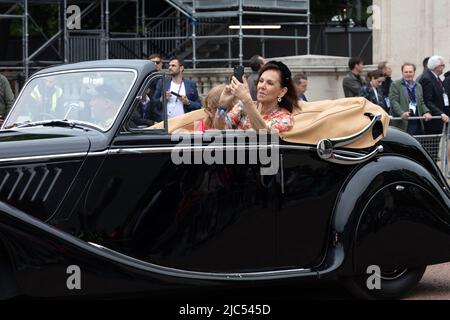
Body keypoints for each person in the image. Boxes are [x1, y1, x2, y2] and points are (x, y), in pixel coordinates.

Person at [212, 61, 297, 133]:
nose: (262, 86)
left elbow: (263, 134)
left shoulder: (285, 119)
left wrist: (247, 100)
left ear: (282, 91)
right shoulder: (242, 106)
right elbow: (221, 127)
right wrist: (222, 106)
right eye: (261, 81)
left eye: (270, 83)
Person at [152, 56, 202, 121]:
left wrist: (188, 102)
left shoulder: (190, 84)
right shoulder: (162, 82)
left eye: (173, 66)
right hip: (166, 124)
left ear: (181, 68)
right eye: (169, 65)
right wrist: (162, 99)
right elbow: (153, 103)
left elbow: (198, 105)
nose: (170, 68)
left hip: (184, 124)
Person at [389, 63, 432, 135]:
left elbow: (421, 102)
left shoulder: (418, 86)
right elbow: (394, 102)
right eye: (406, 72)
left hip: (417, 121)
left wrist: (426, 112)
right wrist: (401, 113)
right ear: (402, 73)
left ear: (414, 72)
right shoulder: (396, 84)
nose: (408, 74)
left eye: (410, 72)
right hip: (404, 122)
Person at [419, 55, 449, 134]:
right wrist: (440, 113)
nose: (444, 67)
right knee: (431, 145)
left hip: (439, 120)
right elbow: (427, 101)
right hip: (432, 121)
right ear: (437, 67)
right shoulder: (427, 78)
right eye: (443, 65)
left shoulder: (436, 77)